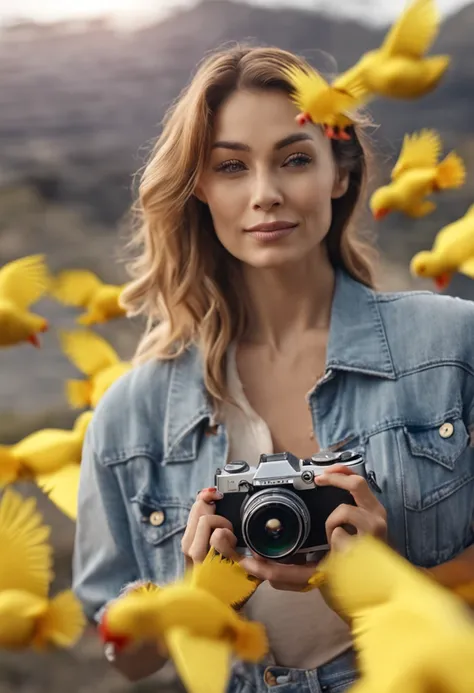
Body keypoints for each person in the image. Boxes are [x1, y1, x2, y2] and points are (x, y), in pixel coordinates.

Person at [73, 44, 474, 693]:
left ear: (338, 174)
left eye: (294, 159)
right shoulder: (132, 416)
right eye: (231, 166)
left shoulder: (455, 344)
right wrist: (197, 599)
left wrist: (389, 583)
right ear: (198, 187)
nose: (265, 194)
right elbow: (127, 652)